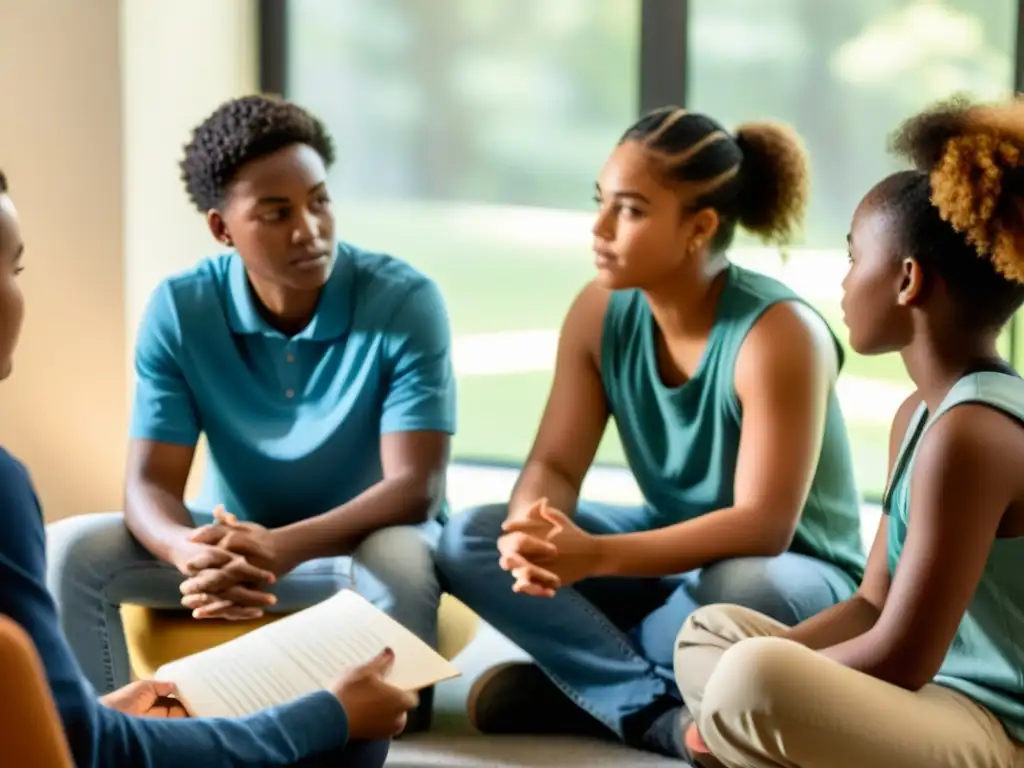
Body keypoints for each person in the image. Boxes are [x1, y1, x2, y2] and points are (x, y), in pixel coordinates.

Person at [435, 106, 866, 758]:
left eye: (629, 211)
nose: (599, 229)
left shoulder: (779, 334)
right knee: (472, 536)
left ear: (699, 227)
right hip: (666, 555)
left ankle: (590, 685)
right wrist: (534, 532)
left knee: (737, 593)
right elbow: (554, 462)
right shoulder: (598, 310)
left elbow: (763, 526)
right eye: (600, 202)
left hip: (790, 577)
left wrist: (596, 559)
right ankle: (656, 707)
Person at [44, 95, 455, 730]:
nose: (310, 229)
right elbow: (150, 483)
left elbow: (414, 489)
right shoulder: (181, 309)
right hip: (232, 552)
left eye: (319, 200)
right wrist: (190, 553)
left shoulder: (405, 301)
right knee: (70, 548)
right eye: (276, 212)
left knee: (402, 559)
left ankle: (384, 730)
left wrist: (281, 547)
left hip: (352, 552)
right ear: (221, 228)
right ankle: (108, 736)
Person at [673, 97, 1024, 768]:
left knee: (752, 682)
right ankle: (751, 729)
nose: (841, 278)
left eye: (853, 255)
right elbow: (872, 603)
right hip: (925, 693)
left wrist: (745, 692)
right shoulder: (921, 416)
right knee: (711, 635)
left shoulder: (973, 433)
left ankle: (745, 730)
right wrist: (753, 677)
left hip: (993, 727)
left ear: (907, 281)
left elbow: (901, 655)